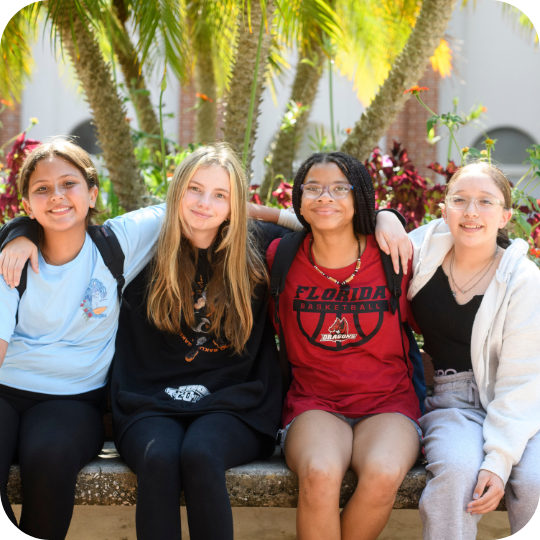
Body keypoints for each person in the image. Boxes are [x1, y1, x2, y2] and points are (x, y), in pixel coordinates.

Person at [1, 143, 412, 540]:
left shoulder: (261, 247)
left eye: (220, 195)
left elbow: (322, 221)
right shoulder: (142, 246)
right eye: (194, 190)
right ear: (177, 193)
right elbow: (65, 225)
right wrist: (19, 231)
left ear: (237, 204)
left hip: (237, 402)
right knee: (158, 459)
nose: (204, 203)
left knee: (201, 455)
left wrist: (383, 217)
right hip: (148, 400)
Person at [0, 138, 165, 539]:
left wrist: (286, 219)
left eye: (68, 184)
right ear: (27, 206)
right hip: (5, 389)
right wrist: (15, 235)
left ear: (92, 194)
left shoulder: (117, 244)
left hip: (73, 400)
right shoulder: (11, 260)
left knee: (49, 457)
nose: (56, 196)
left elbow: (198, 204)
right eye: (42, 189)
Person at [266, 151, 423, 540]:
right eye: (313, 188)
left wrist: (389, 216)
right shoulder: (280, 257)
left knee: (384, 473)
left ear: (360, 199)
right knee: (319, 473)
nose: (325, 198)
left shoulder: (395, 255)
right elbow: (229, 214)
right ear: (299, 199)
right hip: (315, 404)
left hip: (388, 403)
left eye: (340, 188)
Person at [403, 162, 540, 539]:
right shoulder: (422, 253)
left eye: (485, 202)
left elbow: (522, 380)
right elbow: (343, 233)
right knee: (458, 472)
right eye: (460, 200)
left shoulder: (523, 280)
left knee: (533, 482)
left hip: (518, 404)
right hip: (453, 402)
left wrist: (498, 462)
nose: (471, 212)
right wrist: (384, 217)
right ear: (444, 209)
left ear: (505, 216)